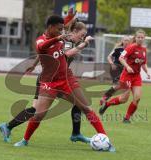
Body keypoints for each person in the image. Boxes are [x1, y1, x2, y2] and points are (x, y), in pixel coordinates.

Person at [13, 15, 115, 152]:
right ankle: (24, 140)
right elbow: (42, 47)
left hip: (67, 79)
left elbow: (67, 50)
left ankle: (106, 142)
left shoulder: (62, 38)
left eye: (62, 29)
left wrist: (81, 41)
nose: (61, 32)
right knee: (39, 115)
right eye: (59, 29)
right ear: (50, 27)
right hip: (49, 83)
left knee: (86, 108)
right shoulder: (40, 41)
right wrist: (59, 38)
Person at [0, 10, 91, 144]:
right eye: (82, 35)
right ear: (75, 32)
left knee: (79, 104)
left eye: (85, 36)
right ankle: (8, 127)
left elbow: (45, 51)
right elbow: (63, 52)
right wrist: (84, 44)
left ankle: (76, 133)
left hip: (61, 79)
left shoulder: (63, 37)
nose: (83, 37)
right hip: (48, 80)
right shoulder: (67, 41)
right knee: (36, 110)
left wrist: (34, 64)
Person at [99, 29, 151, 123]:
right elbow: (121, 58)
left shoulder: (143, 50)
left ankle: (126, 118)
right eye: (138, 37)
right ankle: (107, 104)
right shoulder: (131, 47)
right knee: (124, 99)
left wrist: (147, 72)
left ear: (144, 38)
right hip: (127, 75)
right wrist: (127, 67)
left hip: (136, 76)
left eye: (142, 37)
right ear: (135, 38)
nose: (140, 39)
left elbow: (144, 63)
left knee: (137, 98)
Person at [99, 36, 131, 105]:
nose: (126, 42)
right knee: (118, 85)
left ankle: (106, 98)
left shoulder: (130, 50)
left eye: (128, 40)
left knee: (122, 86)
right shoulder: (118, 49)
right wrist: (111, 63)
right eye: (125, 40)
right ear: (122, 41)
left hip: (125, 70)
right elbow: (109, 57)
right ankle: (105, 98)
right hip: (117, 68)